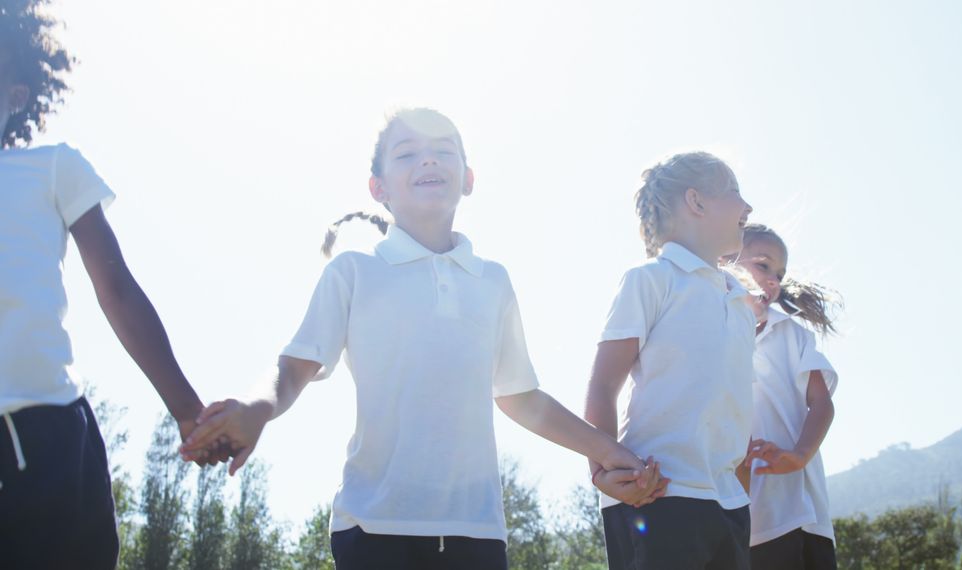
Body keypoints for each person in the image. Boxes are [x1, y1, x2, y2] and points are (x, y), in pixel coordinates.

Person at [181, 108, 661, 570]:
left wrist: (608, 452)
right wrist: (254, 409)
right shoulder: (354, 272)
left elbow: (522, 398)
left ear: (469, 179)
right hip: (372, 528)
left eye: (443, 150)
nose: (428, 160)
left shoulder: (492, 281)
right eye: (407, 153)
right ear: (378, 187)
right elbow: (293, 368)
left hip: (477, 533)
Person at [0, 2, 219, 567]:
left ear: (16, 97)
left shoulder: (52, 169)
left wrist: (187, 409)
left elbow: (116, 289)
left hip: (48, 439)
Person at [585, 151, 759, 569]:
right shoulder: (650, 280)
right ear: (696, 202)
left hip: (729, 503)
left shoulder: (739, 302)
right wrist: (604, 475)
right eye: (734, 191)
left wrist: (738, 487)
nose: (747, 207)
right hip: (658, 493)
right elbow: (603, 387)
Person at [732, 223, 841, 570]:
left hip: (804, 513)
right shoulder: (711, 335)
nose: (773, 281)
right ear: (724, 259)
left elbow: (822, 403)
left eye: (779, 273)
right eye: (763, 265)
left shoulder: (791, 334)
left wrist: (799, 455)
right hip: (747, 519)